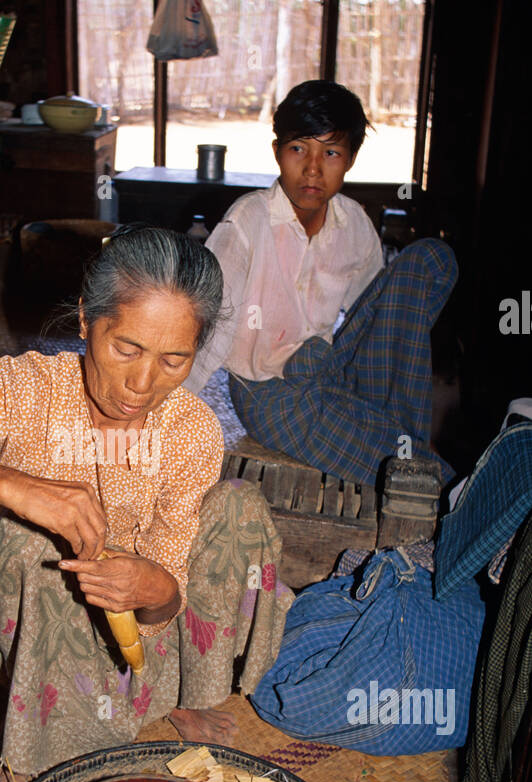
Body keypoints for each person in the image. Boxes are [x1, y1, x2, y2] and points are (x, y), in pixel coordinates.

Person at [0, 225, 292, 780]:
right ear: (84, 321)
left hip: (143, 641)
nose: (142, 383)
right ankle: (35, 726)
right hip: (33, 635)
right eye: (125, 348)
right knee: (31, 541)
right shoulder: (23, 391)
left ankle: (182, 694)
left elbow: (168, 601)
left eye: (174, 361)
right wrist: (18, 490)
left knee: (240, 507)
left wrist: (156, 587)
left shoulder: (191, 428)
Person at [184, 80, 457, 487]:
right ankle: (436, 475)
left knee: (431, 258)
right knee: (409, 468)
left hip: (327, 368)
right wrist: (167, 408)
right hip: (271, 391)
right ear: (277, 152)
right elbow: (213, 321)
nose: (312, 169)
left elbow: (378, 321)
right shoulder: (247, 222)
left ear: (349, 160)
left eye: (330, 153)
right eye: (299, 149)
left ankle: (404, 438)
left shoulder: (354, 224)